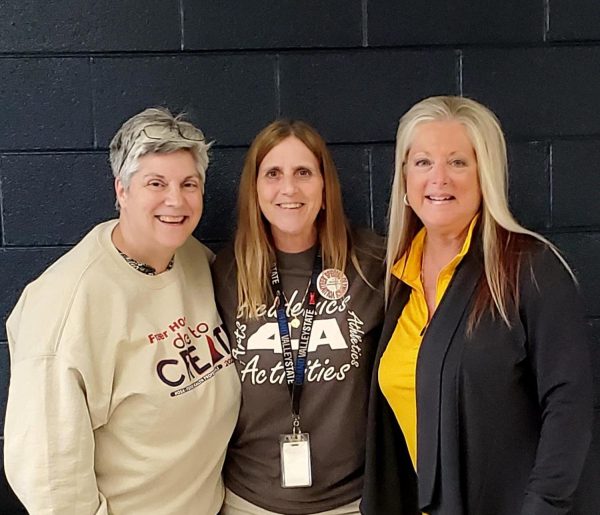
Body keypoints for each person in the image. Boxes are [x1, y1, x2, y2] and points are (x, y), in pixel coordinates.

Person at [361, 96, 594, 515]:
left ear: (485, 173)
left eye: (458, 162)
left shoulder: (528, 268)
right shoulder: (397, 280)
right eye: (423, 162)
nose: (439, 179)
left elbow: (568, 403)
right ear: (404, 178)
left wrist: (542, 508)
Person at [4, 107, 240, 515]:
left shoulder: (192, 258)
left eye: (189, 183)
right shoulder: (64, 306)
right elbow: (50, 485)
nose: (175, 199)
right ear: (122, 190)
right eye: (155, 183)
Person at [212, 120, 385, 515]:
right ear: (254, 191)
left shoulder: (371, 263)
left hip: (350, 502)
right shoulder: (224, 273)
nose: (288, 189)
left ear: (325, 188)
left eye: (303, 173)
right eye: (273, 174)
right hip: (249, 501)